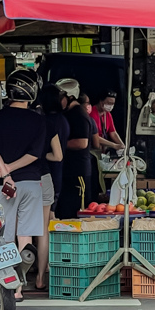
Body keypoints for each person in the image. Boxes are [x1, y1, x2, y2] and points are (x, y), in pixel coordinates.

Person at [0, 69, 46, 301]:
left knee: (4, 235)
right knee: (25, 237)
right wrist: (12, 168)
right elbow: (34, 155)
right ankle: (20, 287)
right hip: (31, 183)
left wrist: (5, 172)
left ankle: (8, 286)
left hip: (5, 186)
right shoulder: (39, 120)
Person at [36, 84, 68, 291]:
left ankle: (37, 271)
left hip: (35, 176)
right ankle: (45, 269)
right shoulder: (59, 122)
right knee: (46, 225)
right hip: (51, 175)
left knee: (28, 228)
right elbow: (59, 154)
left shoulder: (40, 121)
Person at [56, 79, 95, 219]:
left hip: (78, 172)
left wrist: (57, 145)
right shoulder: (68, 113)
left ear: (70, 97)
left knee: (78, 212)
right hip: (67, 170)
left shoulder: (79, 114)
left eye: (60, 97)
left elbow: (82, 143)